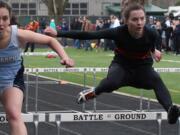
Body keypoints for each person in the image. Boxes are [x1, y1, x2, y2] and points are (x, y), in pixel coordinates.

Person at [44, 3, 180, 124]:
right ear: (126, 21)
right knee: (111, 83)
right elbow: (88, 35)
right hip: (122, 66)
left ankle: (170, 111)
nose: (139, 23)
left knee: (157, 80)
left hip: (142, 68)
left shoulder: (152, 33)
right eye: (135, 19)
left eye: (142, 19)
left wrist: (153, 51)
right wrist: (58, 33)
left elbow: (149, 44)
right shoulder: (117, 32)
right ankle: (93, 92)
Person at [0, 1, 74, 135]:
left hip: (11, 81)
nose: (0, 23)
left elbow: (50, 40)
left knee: (13, 113)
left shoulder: (18, 34)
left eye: (4, 18)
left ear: (9, 19)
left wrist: (65, 57)